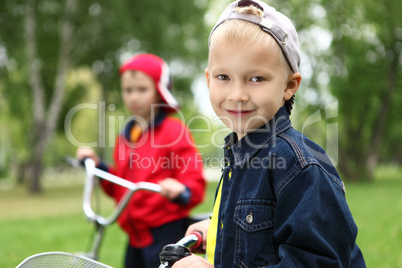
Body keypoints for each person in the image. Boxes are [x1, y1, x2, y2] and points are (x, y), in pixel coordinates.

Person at [173, 0, 366, 267]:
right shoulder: (240, 154)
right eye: (223, 77)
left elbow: (316, 262)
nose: (237, 95)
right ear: (208, 80)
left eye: (256, 79)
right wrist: (218, 228)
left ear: (289, 85)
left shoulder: (298, 166)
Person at [76, 53, 206, 268]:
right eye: (128, 90)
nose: (134, 97)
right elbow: (121, 187)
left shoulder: (174, 131)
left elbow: (194, 182)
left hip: (165, 233)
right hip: (135, 237)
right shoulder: (126, 136)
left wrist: (182, 190)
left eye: (142, 90)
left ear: (159, 91)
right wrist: (98, 166)